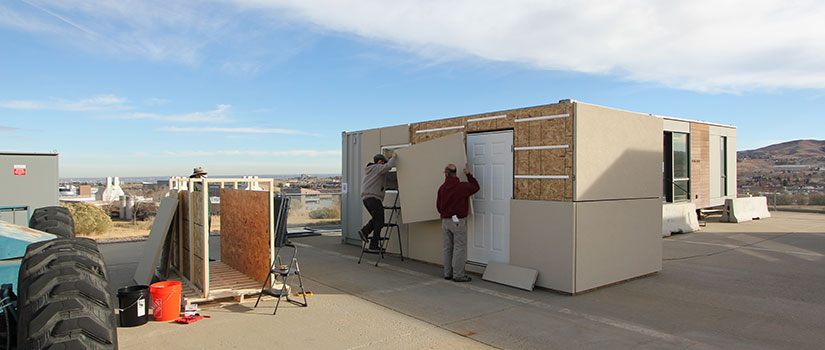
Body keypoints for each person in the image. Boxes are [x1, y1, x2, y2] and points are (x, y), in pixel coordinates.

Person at [436, 163, 479, 282]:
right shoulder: (462, 187)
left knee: (447, 248)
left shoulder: (441, 189)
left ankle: (447, 273)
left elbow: (438, 207)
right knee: (460, 248)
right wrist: (469, 175)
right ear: (455, 173)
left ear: (446, 174)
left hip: (445, 222)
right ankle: (459, 275)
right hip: (458, 222)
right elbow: (476, 187)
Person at [359, 153, 397, 252]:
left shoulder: (371, 170)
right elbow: (388, 166)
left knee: (377, 219)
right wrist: (394, 157)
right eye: (383, 162)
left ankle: (365, 232)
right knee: (379, 221)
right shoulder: (377, 167)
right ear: (380, 161)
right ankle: (373, 244)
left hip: (367, 199)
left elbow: (378, 181)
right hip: (373, 198)